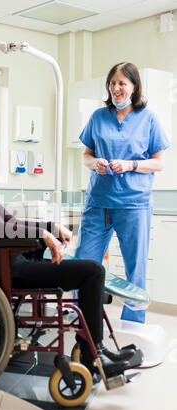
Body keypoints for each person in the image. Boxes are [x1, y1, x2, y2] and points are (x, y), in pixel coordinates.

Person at [0, 137, 135, 378]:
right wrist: (43, 235)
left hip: (13, 264)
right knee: (93, 271)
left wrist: (51, 226)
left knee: (90, 271)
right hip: (4, 270)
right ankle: (94, 353)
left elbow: (11, 223)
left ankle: (95, 349)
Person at [75, 62, 170, 323]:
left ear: (134, 87)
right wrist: (96, 164)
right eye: (112, 83)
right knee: (83, 263)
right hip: (99, 203)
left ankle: (133, 324)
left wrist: (131, 165)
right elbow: (86, 155)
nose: (116, 88)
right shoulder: (98, 116)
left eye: (122, 83)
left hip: (133, 204)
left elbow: (159, 162)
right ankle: (80, 321)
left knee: (135, 270)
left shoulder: (148, 118)